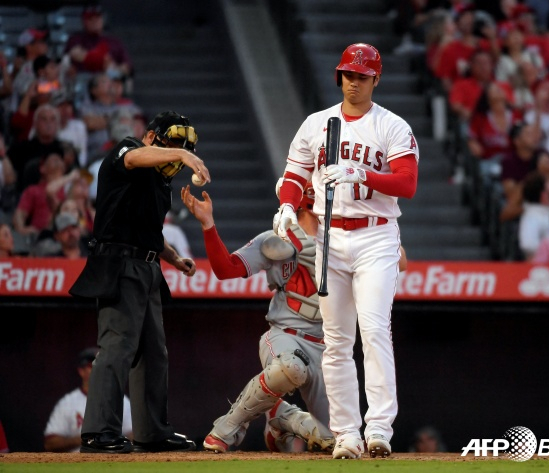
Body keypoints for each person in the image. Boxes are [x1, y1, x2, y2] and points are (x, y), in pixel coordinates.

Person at [273, 43, 419, 459]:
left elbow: (407, 183)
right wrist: (287, 204)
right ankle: (346, 434)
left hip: (376, 235)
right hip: (329, 236)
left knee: (373, 330)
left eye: (362, 75)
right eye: (348, 75)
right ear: (339, 76)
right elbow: (294, 174)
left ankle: (378, 429)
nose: (354, 82)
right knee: (335, 340)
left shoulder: (391, 125)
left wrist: (363, 173)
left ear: (377, 78)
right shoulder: (317, 124)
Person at [68, 110, 210, 454]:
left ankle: (151, 432)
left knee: (153, 353)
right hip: (118, 262)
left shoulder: (160, 184)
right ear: (152, 136)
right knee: (117, 345)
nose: (177, 150)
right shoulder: (128, 150)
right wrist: (182, 154)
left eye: (183, 145)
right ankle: (99, 431)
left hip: (147, 268)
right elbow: (133, 158)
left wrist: (175, 259)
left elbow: (149, 233)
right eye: (173, 141)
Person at [182, 181, 335, 454]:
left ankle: (283, 418)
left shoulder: (347, 239)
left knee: (336, 441)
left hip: (328, 348)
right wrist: (208, 224)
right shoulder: (277, 239)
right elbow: (226, 269)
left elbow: (401, 261)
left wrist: (381, 236)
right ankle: (229, 426)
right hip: (287, 337)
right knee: (291, 367)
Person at [44, 347, 133, 452]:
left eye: (102, 366)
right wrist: (87, 440)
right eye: (93, 366)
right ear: (81, 371)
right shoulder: (68, 403)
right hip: (77, 463)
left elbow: (133, 435)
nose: (99, 370)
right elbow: (50, 443)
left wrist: (112, 440)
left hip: (111, 463)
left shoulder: (121, 400)